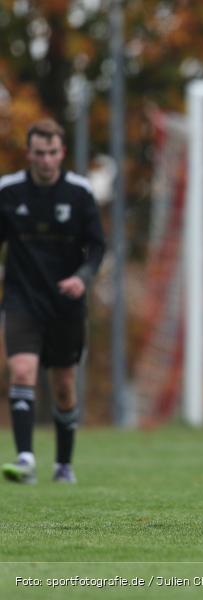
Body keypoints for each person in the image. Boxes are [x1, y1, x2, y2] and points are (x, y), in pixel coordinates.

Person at [0, 118, 105, 484]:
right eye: (39, 153)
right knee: (23, 371)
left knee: (63, 386)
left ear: (61, 153)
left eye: (52, 153)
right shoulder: (9, 191)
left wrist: (82, 277)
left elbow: (97, 246)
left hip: (65, 303)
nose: (46, 160)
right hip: (21, 298)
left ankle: (63, 463)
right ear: (29, 153)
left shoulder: (79, 192)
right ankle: (26, 459)